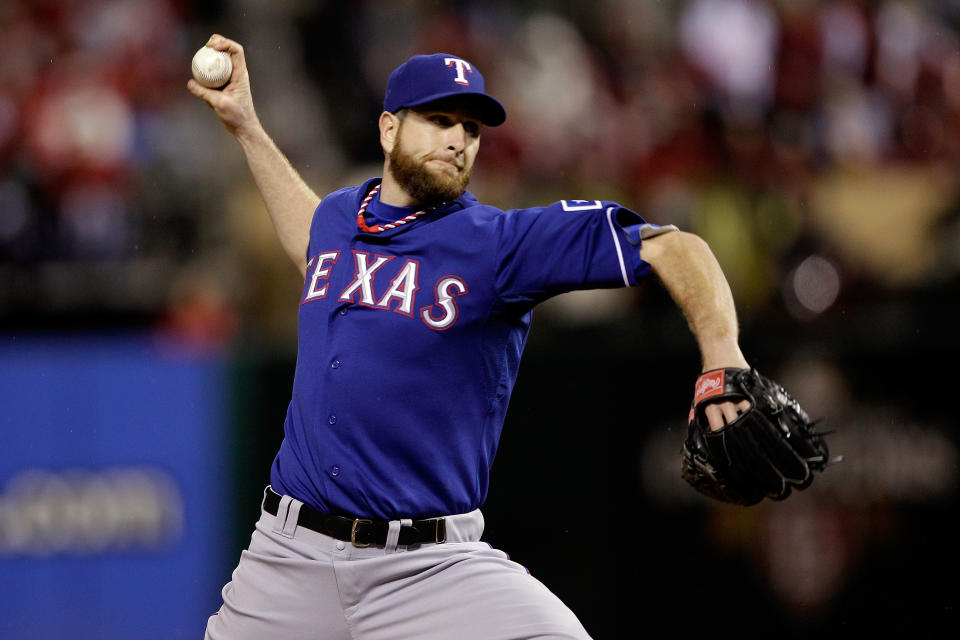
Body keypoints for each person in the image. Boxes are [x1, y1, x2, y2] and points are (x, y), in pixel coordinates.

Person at [189, 34, 751, 640]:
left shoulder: (500, 244)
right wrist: (247, 127)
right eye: (438, 119)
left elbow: (675, 246)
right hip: (286, 558)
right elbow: (311, 239)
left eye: (471, 128)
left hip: (430, 571)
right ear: (388, 130)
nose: (458, 139)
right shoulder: (338, 219)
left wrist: (723, 357)